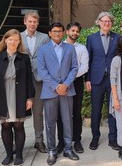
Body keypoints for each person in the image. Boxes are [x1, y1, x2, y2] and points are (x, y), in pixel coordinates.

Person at [0, 29, 35, 166]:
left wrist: (30, 98)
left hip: (19, 94)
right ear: (5, 40)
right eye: (10, 39)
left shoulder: (24, 58)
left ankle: (19, 155)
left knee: (18, 125)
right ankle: (9, 155)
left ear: (19, 42)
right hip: (1, 95)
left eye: (16, 40)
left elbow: (29, 79)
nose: (13, 42)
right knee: (5, 125)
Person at [37, 23, 79, 165]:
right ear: (49, 33)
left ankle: (68, 148)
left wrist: (65, 84)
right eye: (54, 31)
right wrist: (56, 86)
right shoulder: (43, 49)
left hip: (67, 90)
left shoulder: (70, 48)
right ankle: (52, 151)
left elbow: (74, 67)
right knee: (50, 122)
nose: (57, 33)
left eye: (60, 31)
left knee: (68, 120)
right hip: (50, 91)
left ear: (63, 33)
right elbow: (42, 70)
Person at [85, 12, 120, 150]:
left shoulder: (117, 37)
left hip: (113, 80)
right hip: (96, 79)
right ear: (98, 22)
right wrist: (87, 79)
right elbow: (88, 60)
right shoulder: (91, 38)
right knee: (96, 111)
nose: (107, 23)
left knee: (113, 109)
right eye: (104, 21)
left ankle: (113, 138)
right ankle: (95, 138)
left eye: (109, 21)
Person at [56, 22, 89, 154]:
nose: (75, 33)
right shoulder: (59, 47)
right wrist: (64, 80)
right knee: (61, 114)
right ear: (67, 31)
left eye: (77, 31)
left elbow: (84, 66)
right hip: (61, 84)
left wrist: (70, 78)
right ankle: (61, 141)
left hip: (76, 82)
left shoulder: (82, 48)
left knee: (76, 113)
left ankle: (77, 140)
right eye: (73, 30)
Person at [20, 11, 50, 153]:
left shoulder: (44, 37)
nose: (32, 24)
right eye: (30, 21)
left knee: (38, 112)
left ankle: (39, 140)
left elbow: (48, 57)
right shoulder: (17, 37)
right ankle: (17, 143)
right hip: (21, 80)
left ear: (38, 23)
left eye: (35, 21)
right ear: (24, 22)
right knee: (18, 111)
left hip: (39, 80)